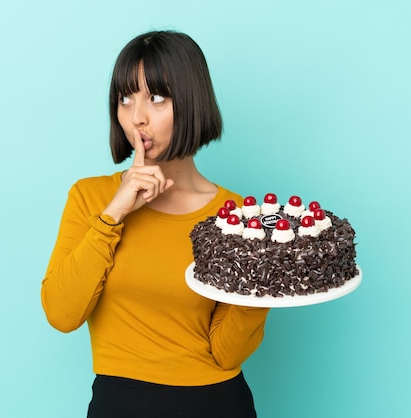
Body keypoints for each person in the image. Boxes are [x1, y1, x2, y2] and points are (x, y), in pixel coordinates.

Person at [41, 30, 270, 418]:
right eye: (125, 98)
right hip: (120, 404)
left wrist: (261, 284)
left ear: (191, 101)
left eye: (156, 98)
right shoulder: (91, 199)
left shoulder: (236, 215)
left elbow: (226, 352)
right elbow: (63, 315)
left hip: (216, 403)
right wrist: (112, 216)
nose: (137, 117)